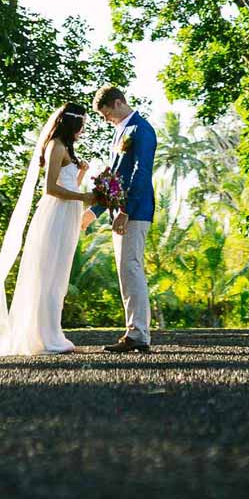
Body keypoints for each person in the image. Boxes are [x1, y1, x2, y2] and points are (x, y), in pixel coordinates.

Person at [0, 104, 97, 357]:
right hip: (55, 215)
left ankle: (52, 334)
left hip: (68, 215)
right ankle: (46, 339)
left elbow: (67, 183)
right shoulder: (56, 146)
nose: (83, 130)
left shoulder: (68, 149)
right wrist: (84, 196)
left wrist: (81, 175)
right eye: (82, 124)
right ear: (73, 123)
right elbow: (50, 188)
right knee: (48, 275)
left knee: (59, 276)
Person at [89, 84, 157, 353]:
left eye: (106, 114)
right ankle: (135, 330)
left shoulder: (142, 130)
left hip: (135, 210)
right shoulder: (119, 132)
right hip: (119, 212)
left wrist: (126, 211)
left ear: (118, 103)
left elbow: (141, 174)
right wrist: (95, 211)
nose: (106, 120)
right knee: (125, 271)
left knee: (131, 268)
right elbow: (113, 177)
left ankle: (138, 334)